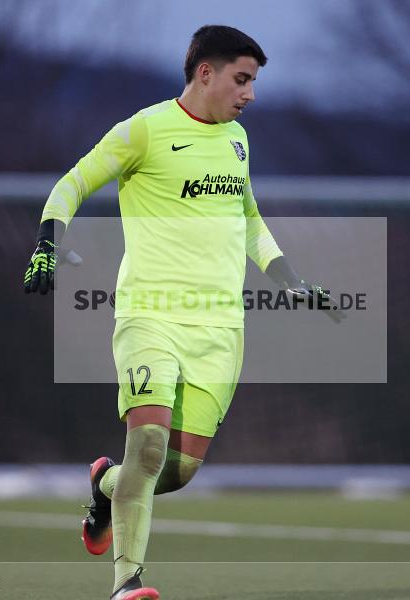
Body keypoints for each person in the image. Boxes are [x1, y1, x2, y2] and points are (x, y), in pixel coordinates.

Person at [23, 24, 342, 600]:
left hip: (222, 329)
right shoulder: (144, 130)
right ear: (205, 73)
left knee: (177, 472)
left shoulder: (238, 141)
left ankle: (105, 487)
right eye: (242, 79)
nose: (249, 94)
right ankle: (127, 584)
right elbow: (71, 184)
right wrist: (48, 242)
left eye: (253, 83)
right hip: (150, 316)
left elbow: (248, 220)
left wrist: (290, 279)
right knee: (146, 447)